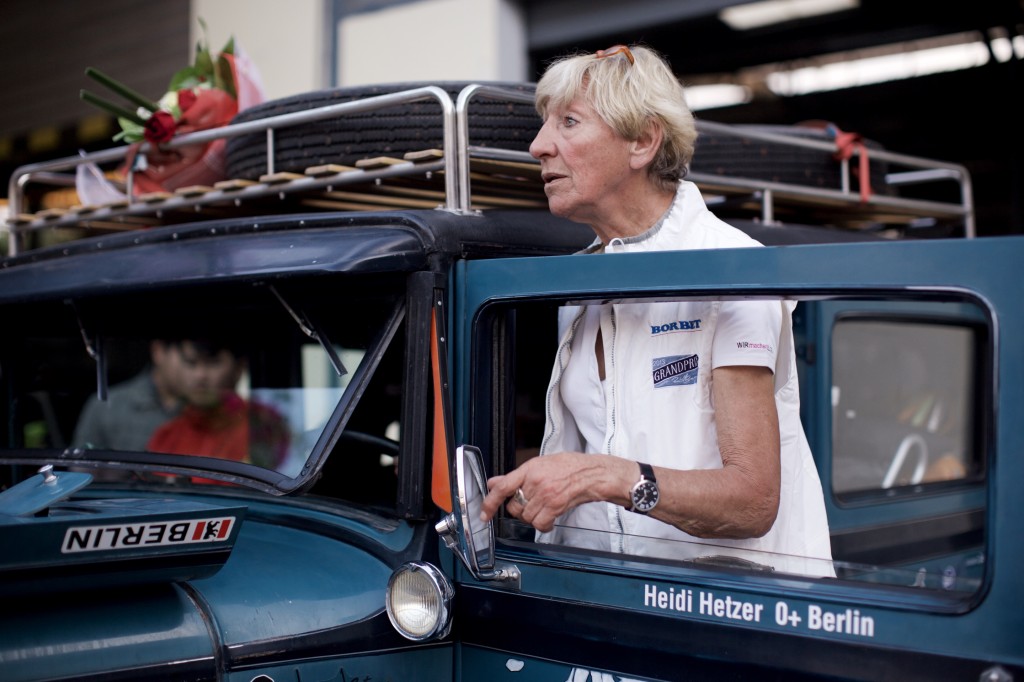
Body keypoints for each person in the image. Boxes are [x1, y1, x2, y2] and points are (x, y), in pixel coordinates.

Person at [480, 44, 833, 574]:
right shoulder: (581, 288)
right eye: (544, 125)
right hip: (613, 600)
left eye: (568, 122)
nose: (537, 147)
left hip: (739, 611)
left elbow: (752, 501)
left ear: (642, 141)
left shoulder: (732, 269)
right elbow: (595, 454)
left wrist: (603, 476)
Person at [146, 338, 289, 471]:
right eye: (191, 363)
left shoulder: (263, 424)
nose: (200, 375)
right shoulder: (166, 435)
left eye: (213, 363)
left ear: (239, 367)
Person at [72, 339, 185, 451]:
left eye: (203, 361)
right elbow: (81, 463)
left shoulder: (199, 410)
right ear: (159, 351)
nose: (201, 373)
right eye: (190, 360)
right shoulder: (106, 407)